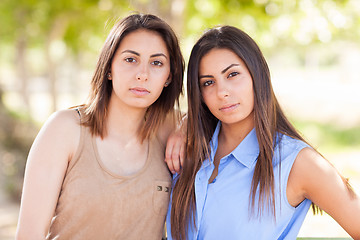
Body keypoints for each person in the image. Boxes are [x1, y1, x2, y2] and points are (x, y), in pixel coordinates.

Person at [166, 25, 360, 239]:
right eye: (208, 82)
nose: (222, 92)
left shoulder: (298, 163)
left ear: (257, 74)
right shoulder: (187, 149)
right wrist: (186, 123)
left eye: (232, 74)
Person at [16, 13, 184, 240]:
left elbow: (213, 117)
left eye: (156, 63)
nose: (142, 74)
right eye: (130, 59)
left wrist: (185, 126)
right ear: (108, 68)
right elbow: (29, 235)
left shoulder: (169, 129)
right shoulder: (65, 130)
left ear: (168, 77)